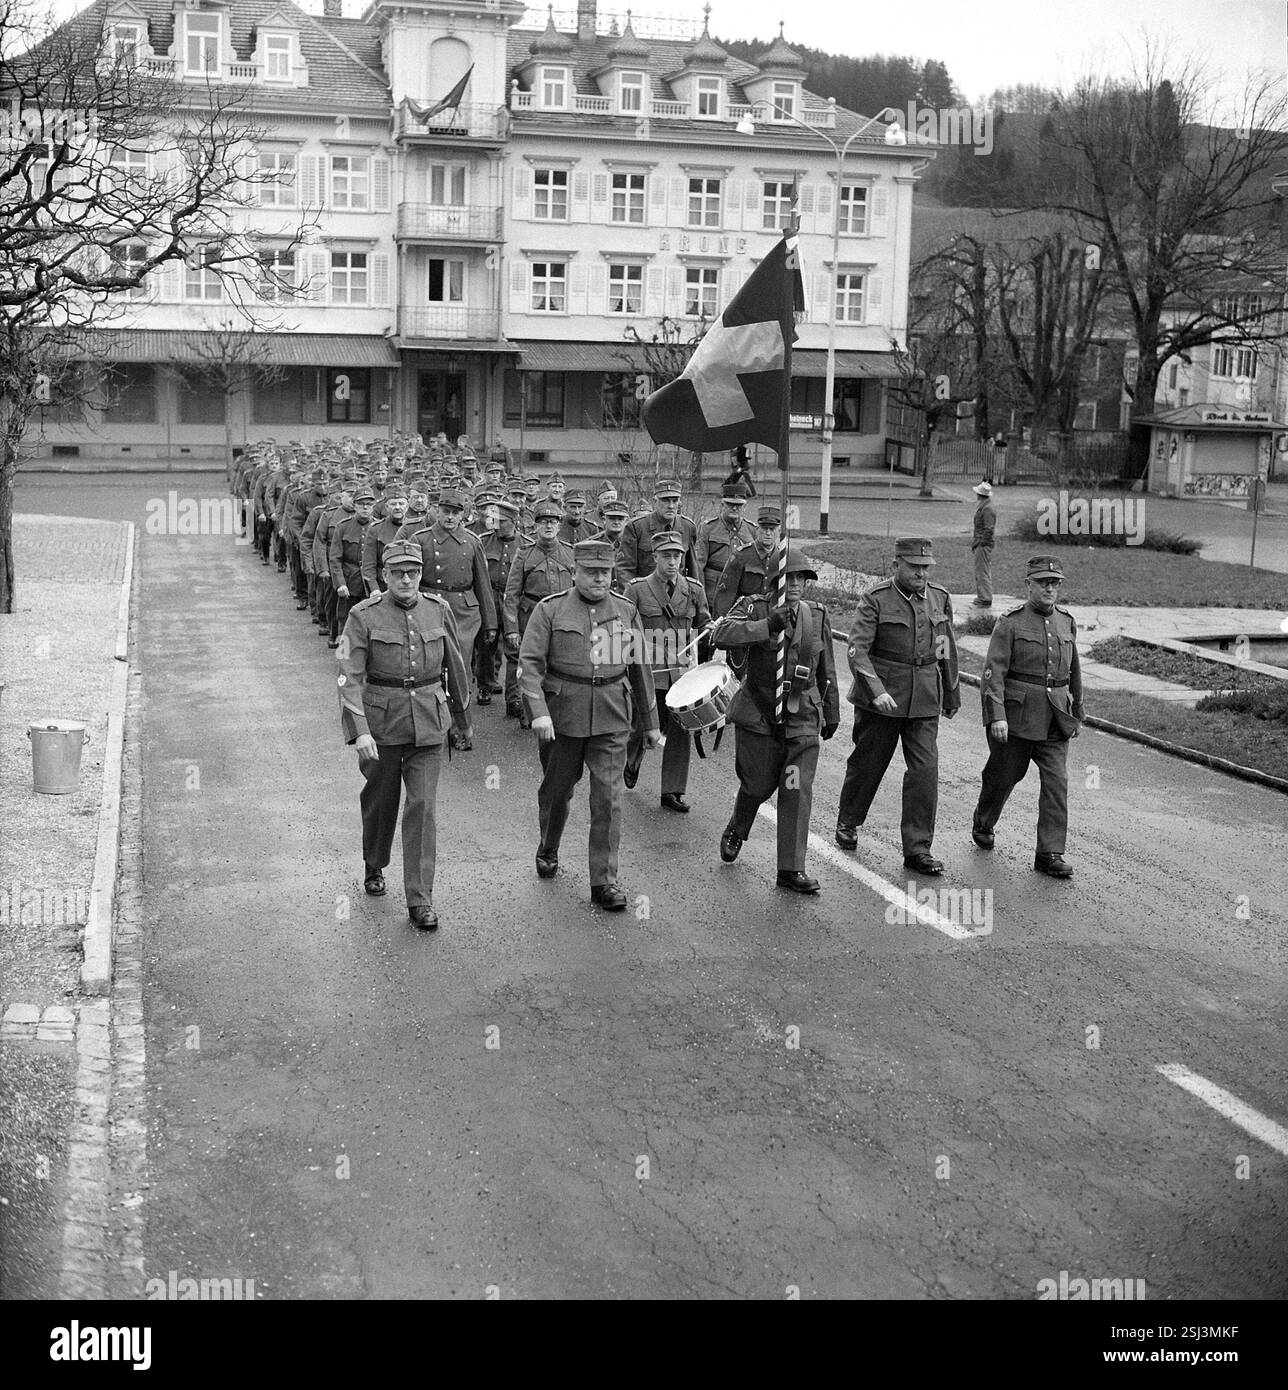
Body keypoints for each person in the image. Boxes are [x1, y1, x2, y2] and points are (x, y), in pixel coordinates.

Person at [337, 540, 474, 931]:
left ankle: (419, 898)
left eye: (412, 572)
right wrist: (359, 731)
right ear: (385, 575)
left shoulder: (439, 610)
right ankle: (374, 861)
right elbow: (348, 676)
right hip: (381, 726)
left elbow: (456, 668)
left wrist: (462, 720)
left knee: (423, 808)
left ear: (420, 573)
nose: (406, 579)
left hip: (430, 723)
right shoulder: (362, 616)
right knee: (381, 802)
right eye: (397, 572)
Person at [518, 539, 661, 911]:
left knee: (609, 800)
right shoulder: (550, 610)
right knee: (556, 791)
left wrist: (650, 724)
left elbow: (640, 668)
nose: (599, 578)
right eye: (591, 572)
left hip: (613, 715)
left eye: (605, 572)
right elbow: (529, 666)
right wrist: (538, 712)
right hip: (563, 717)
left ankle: (604, 881)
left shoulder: (626, 611)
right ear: (574, 572)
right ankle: (549, 844)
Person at [709, 549, 839, 894]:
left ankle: (790, 869)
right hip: (760, 711)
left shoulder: (818, 615)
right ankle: (738, 826)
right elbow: (719, 635)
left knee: (796, 789)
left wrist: (833, 708)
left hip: (803, 714)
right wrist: (767, 626)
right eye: (788, 578)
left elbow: (825, 667)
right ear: (773, 581)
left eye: (801, 578)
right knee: (757, 783)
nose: (794, 584)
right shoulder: (754, 607)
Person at [835, 538, 960, 876]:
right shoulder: (876, 599)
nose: (922, 573)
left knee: (924, 772)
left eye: (926, 567)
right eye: (914, 567)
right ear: (896, 566)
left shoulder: (940, 598)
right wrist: (874, 690)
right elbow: (856, 650)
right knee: (868, 764)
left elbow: (945, 647)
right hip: (883, 701)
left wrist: (951, 694)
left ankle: (918, 849)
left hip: (924, 699)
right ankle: (848, 820)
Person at [972, 556, 1084, 877]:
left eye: (1055, 583)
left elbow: (1073, 669)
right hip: (1017, 719)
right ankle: (984, 819)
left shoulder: (1066, 621)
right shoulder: (1010, 622)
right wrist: (997, 716)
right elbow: (993, 673)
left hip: (1055, 719)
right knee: (1004, 776)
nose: (1050, 588)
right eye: (1043, 582)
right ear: (1029, 585)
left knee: (1057, 782)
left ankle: (1049, 853)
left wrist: (1077, 711)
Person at [623, 531, 711, 812]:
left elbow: (703, 620)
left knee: (680, 731)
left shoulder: (694, 589)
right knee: (641, 725)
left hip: (681, 676)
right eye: (666, 556)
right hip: (648, 673)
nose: (672, 562)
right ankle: (631, 760)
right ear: (655, 558)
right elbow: (624, 633)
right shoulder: (636, 590)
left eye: (677, 556)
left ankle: (672, 790)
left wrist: (709, 628)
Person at [396, 486, 497, 712]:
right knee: (431, 663)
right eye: (446, 511)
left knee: (460, 665)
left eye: (455, 512)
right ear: (436, 511)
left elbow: (482, 583)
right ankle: (433, 715)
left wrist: (490, 622)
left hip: (464, 612)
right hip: (430, 606)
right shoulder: (420, 539)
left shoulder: (472, 541)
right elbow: (408, 578)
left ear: (463, 514)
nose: (450, 517)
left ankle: (462, 721)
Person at [503, 500, 575, 723]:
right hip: (531, 617)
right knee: (529, 665)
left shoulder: (570, 553)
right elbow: (511, 594)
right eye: (543, 522)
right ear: (535, 526)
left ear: (559, 525)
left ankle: (556, 710)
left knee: (560, 664)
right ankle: (529, 711)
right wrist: (512, 629)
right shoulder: (525, 554)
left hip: (562, 617)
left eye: (553, 522)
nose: (548, 526)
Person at [478, 499, 525, 707]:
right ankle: (485, 686)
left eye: (501, 521)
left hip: (514, 601)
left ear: (514, 521)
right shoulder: (483, 541)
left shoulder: (525, 545)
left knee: (515, 651)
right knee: (487, 646)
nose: (495, 525)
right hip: (490, 599)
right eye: (493, 520)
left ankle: (514, 698)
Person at [616, 478, 697, 585]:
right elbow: (625, 569)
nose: (671, 506)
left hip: (677, 595)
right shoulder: (636, 527)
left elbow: (692, 569)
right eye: (665, 500)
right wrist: (632, 597)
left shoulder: (687, 527)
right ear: (655, 502)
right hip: (646, 594)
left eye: (675, 500)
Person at [693, 484, 755, 613]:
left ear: (745, 507)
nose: (734, 508)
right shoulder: (709, 528)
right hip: (712, 593)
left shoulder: (752, 530)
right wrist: (700, 596)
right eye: (730, 504)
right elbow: (698, 565)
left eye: (738, 505)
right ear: (722, 504)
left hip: (740, 594)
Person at [713, 505, 780, 617]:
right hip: (744, 617)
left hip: (771, 618)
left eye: (772, 529)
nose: (768, 533)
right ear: (757, 529)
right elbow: (725, 595)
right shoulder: (741, 556)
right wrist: (721, 623)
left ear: (778, 531)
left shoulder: (782, 559)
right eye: (764, 528)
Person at [971, 481, 996, 608]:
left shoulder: (987, 509)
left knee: (982, 571)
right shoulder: (985, 506)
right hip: (981, 543)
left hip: (982, 544)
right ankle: (983, 596)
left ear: (980, 495)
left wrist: (981, 543)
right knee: (981, 570)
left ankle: (985, 598)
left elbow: (989, 529)